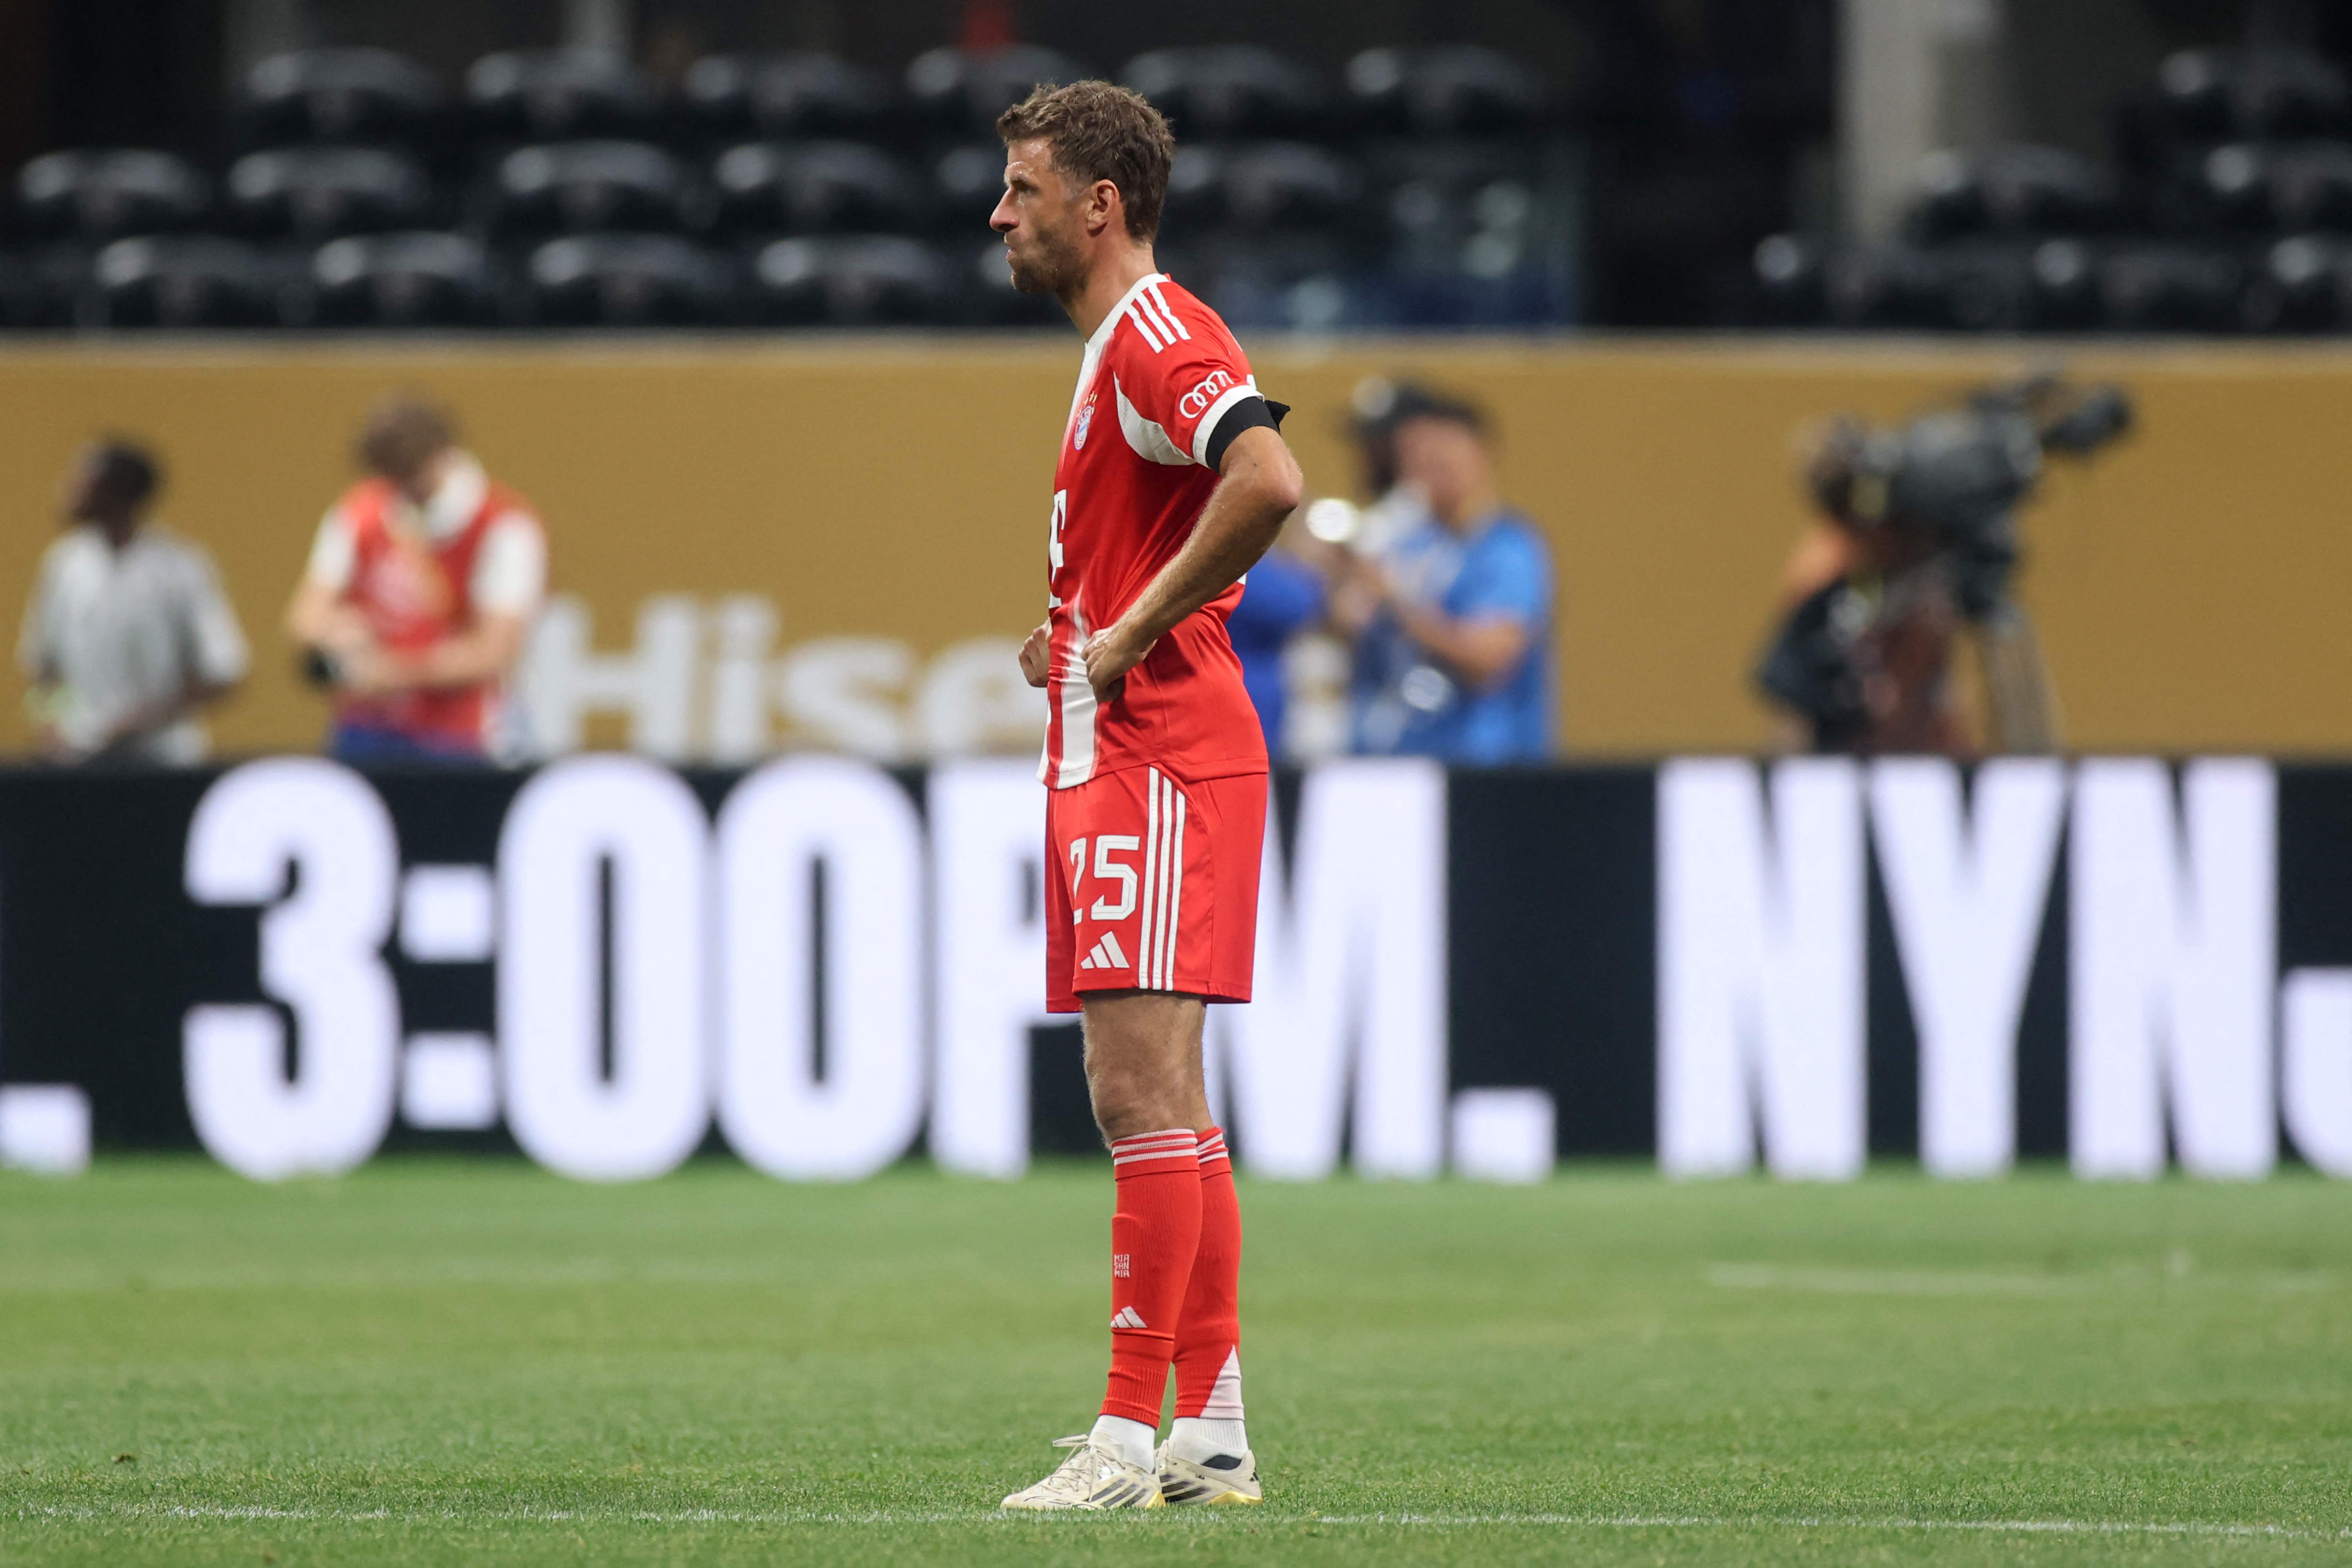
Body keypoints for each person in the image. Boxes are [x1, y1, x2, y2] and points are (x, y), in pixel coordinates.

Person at [993, 80, 1303, 1510]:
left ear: (1097, 205)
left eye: (1023, 187)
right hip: (1134, 743)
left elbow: (1268, 475)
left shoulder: (1157, 334)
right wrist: (1082, 622)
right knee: (1172, 1098)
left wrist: (1123, 635)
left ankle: (1122, 1439)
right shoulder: (1120, 344)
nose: (1001, 213)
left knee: (1133, 1093)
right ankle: (1213, 1427)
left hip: (1159, 749)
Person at [285, 396, 546, 764]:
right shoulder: (361, 513)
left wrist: (392, 672)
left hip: (459, 736)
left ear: (441, 456)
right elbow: (306, 616)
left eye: (409, 473)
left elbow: (495, 651)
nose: (400, 489)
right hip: (365, 730)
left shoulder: (503, 527)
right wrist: (337, 631)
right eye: (390, 476)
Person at [1334, 397, 1555, 762]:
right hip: (1388, 761)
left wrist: (1396, 602)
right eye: (1415, 456)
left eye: (1442, 455)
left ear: (1480, 455)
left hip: (1481, 764)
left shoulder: (1508, 549)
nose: (1427, 467)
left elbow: (1488, 660)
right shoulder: (1404, 543)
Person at [16, 438, 248, 764]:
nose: (71, 489)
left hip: (165, 762)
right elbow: (43, 668)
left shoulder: (179, 568)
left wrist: (141, 720)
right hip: (79, 762)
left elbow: (223, 671)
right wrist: (52, 727)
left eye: (86, 481)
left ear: (121, 492)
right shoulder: (64, 565)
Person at [1222, 525, 1325, 757]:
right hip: (1243, 687)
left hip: (1254, 686)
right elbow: (1298, 604)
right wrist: (1301, 564)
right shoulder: (1242, 559)